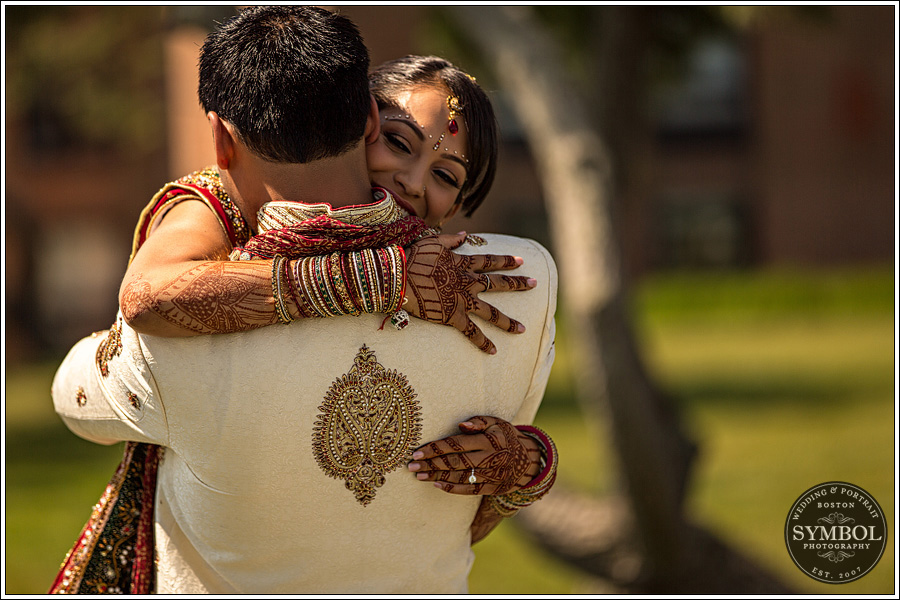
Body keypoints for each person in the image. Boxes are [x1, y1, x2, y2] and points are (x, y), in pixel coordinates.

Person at [50, 6, 558, 594]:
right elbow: (149, 296)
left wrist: (526, 467)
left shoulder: (467, 280)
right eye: (399, 143)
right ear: (366, 121)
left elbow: (74, 389)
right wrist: (384, 276)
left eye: (446, 176)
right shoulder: (526, 285)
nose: (415, 182)